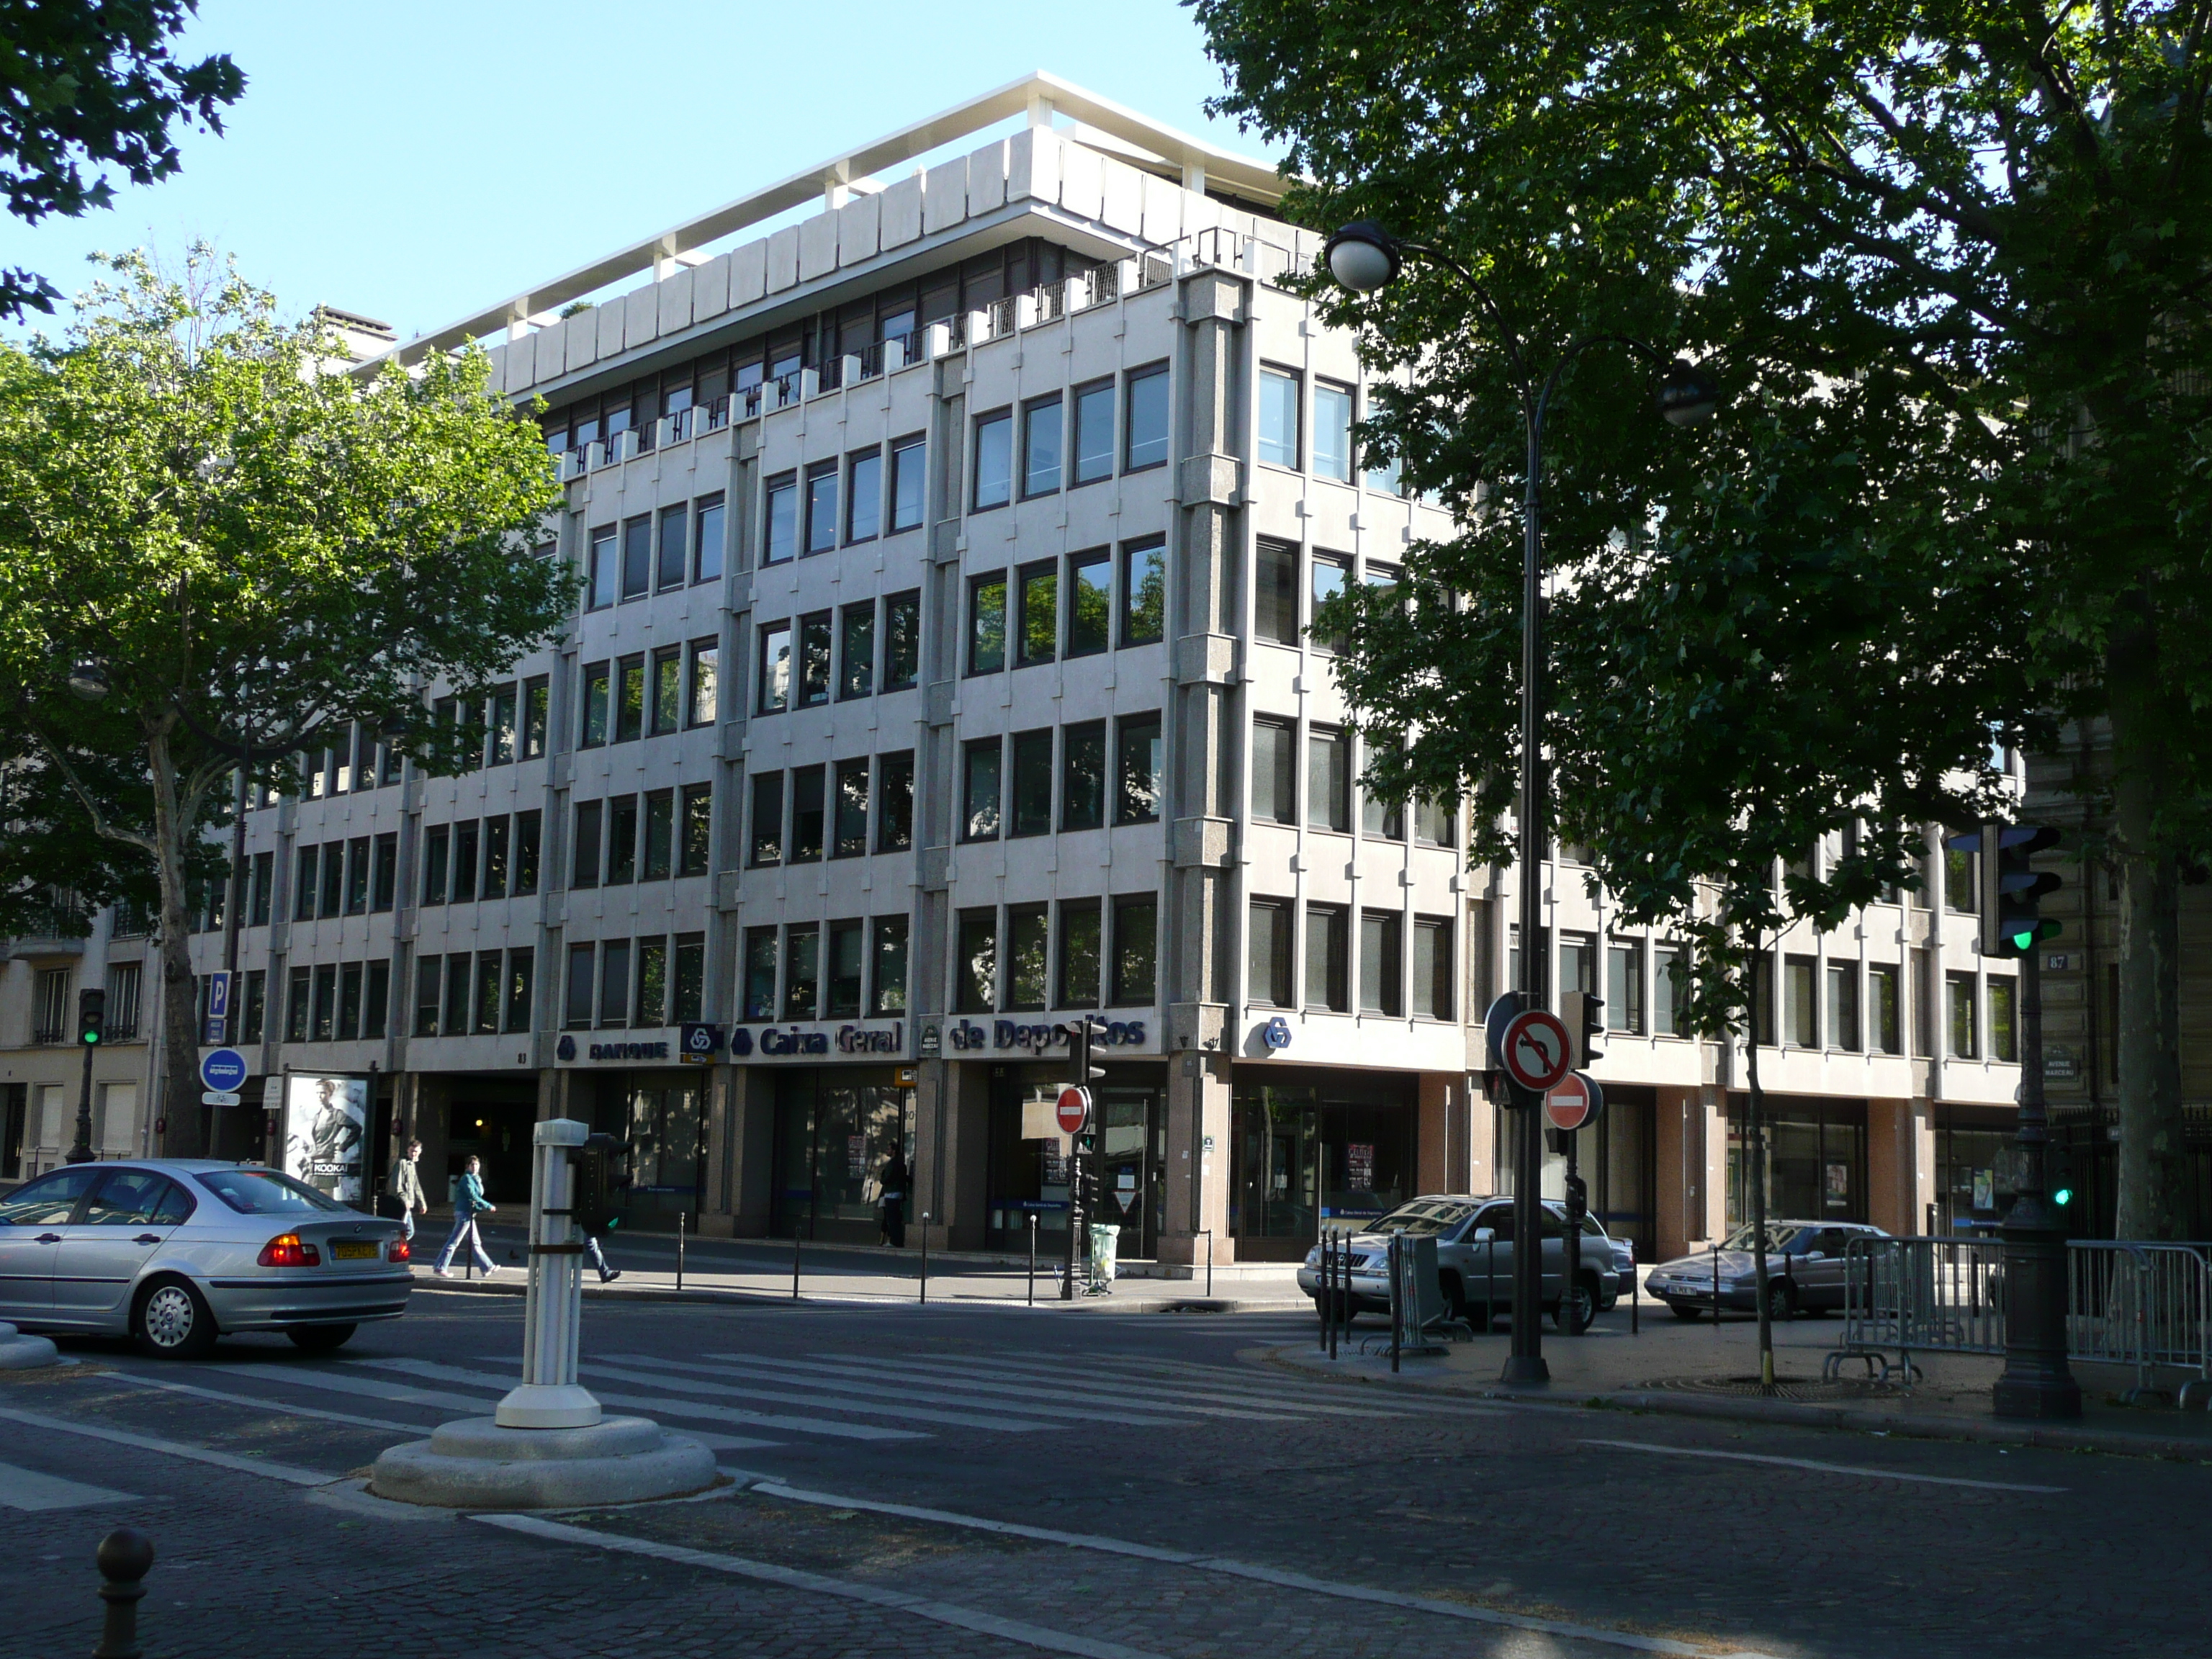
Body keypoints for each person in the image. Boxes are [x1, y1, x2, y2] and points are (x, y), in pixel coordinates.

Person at [433, 1154, 499, 1278]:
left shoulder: (476, 1178)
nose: (475, 1167)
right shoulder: (466, 1179)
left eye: (477, 1165)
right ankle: (440, 1266)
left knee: (475, 1242)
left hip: (469, 1213)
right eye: (472, 1165)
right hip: (464, 1213)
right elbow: (473, 1196)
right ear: (467, 1167)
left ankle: (487, 1267)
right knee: (454, 1241)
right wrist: (488, 1206)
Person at [389, 1138, 428, 1244]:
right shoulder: (401, 1163)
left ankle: (397, 1248)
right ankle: (395, 1250)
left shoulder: (412, 1165)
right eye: (412, 1151)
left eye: (416, 1151)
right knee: (405, 1231)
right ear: (408, 1150)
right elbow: (397, 1186)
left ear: (420, 1152)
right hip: (400, 1205)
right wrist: (405, 1200)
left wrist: (422, 1204)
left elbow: (416, 1186)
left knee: (407, 1232)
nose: (414, 1154)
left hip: (408, 1206)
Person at [879, 1150, 908, 1250]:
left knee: (892, 1219)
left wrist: (882, 1178)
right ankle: (898, 1240)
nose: (887, 1151)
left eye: (889, 1149)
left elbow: (886, 1178)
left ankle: (894, 1241)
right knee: (896, 1218)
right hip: (898, 1193)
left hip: (891, 1193)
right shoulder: (902, 1165)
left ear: (894, 1151)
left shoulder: (892, 1164)